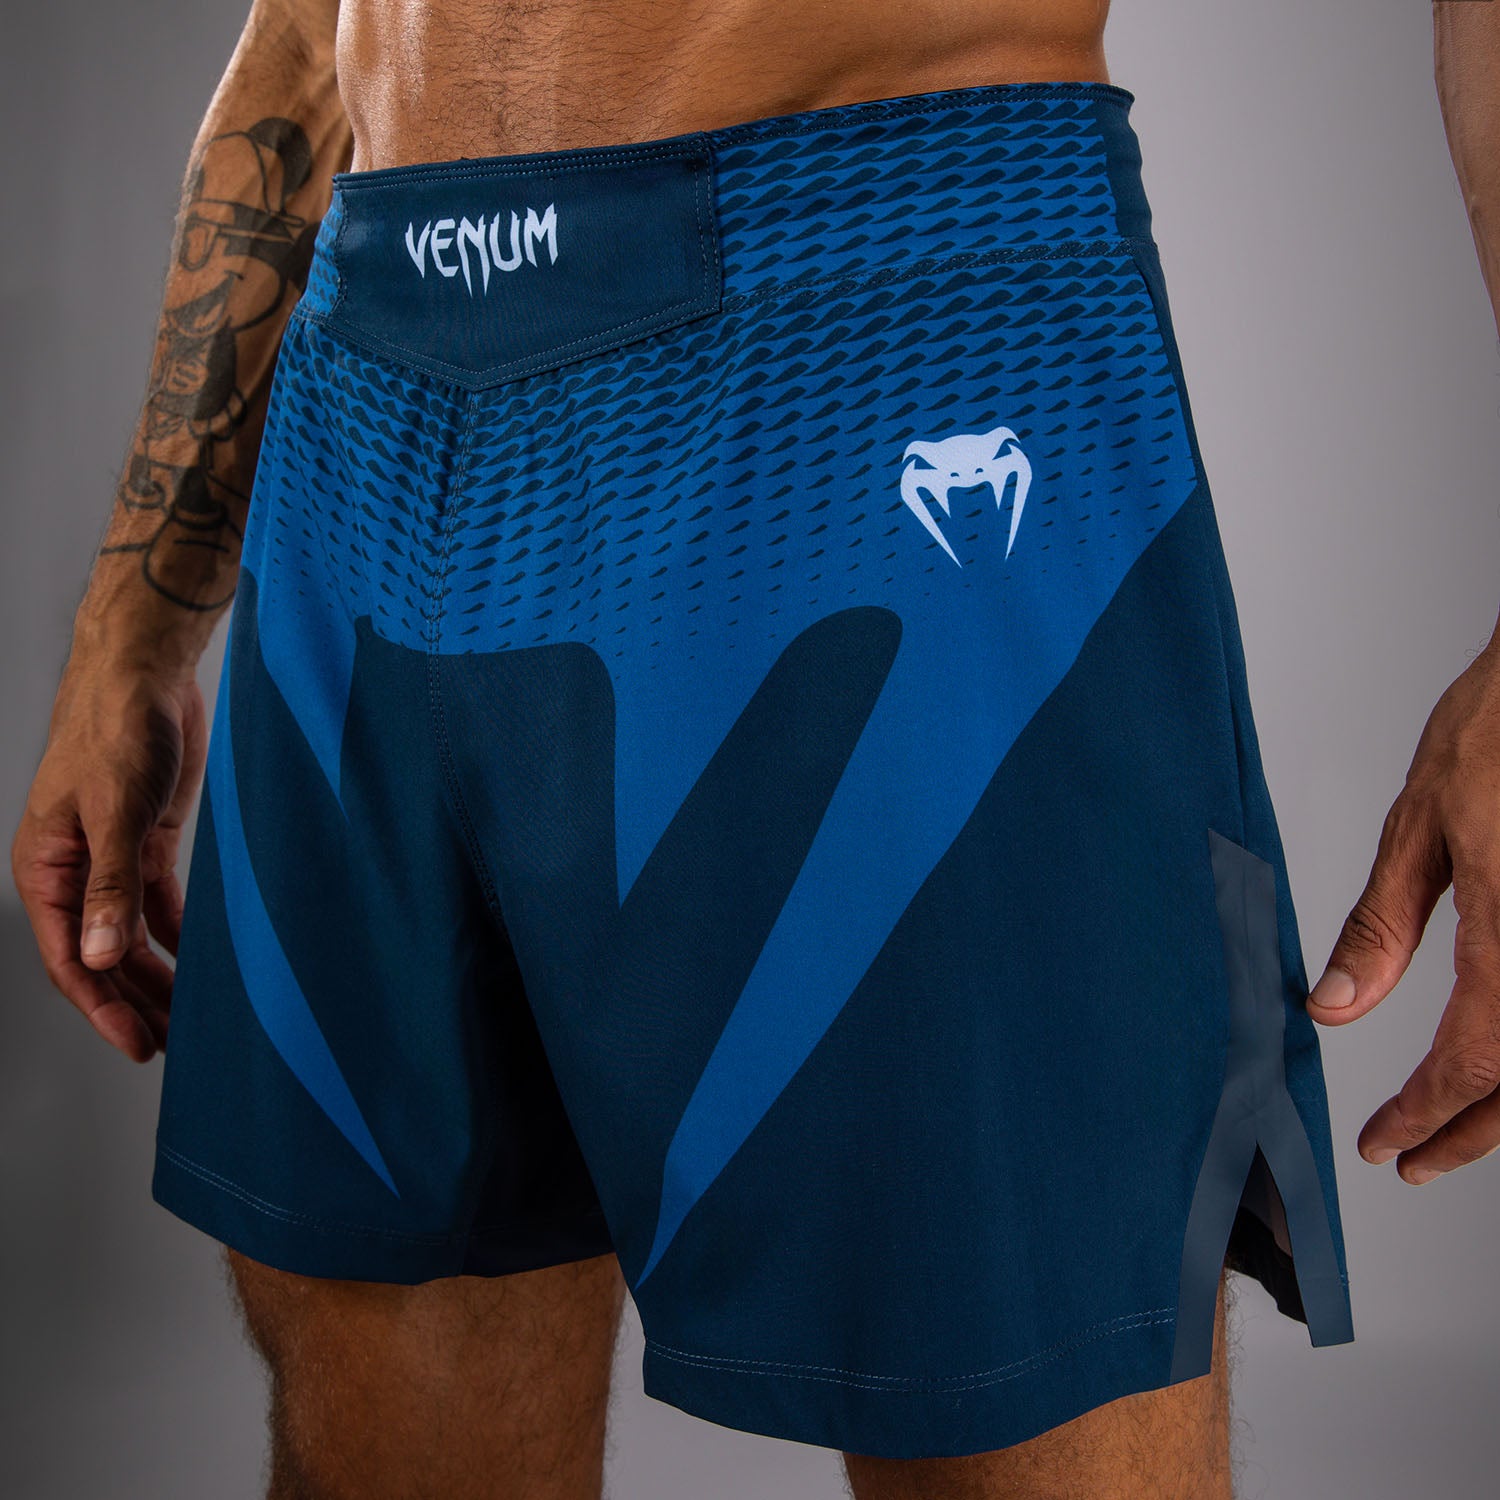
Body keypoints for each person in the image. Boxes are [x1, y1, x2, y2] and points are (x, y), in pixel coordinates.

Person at [11, 0, 1499, 1494]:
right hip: (366, 414)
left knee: (1014, 1389)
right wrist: (136, 624)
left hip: (881, 335)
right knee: (369, 1414)